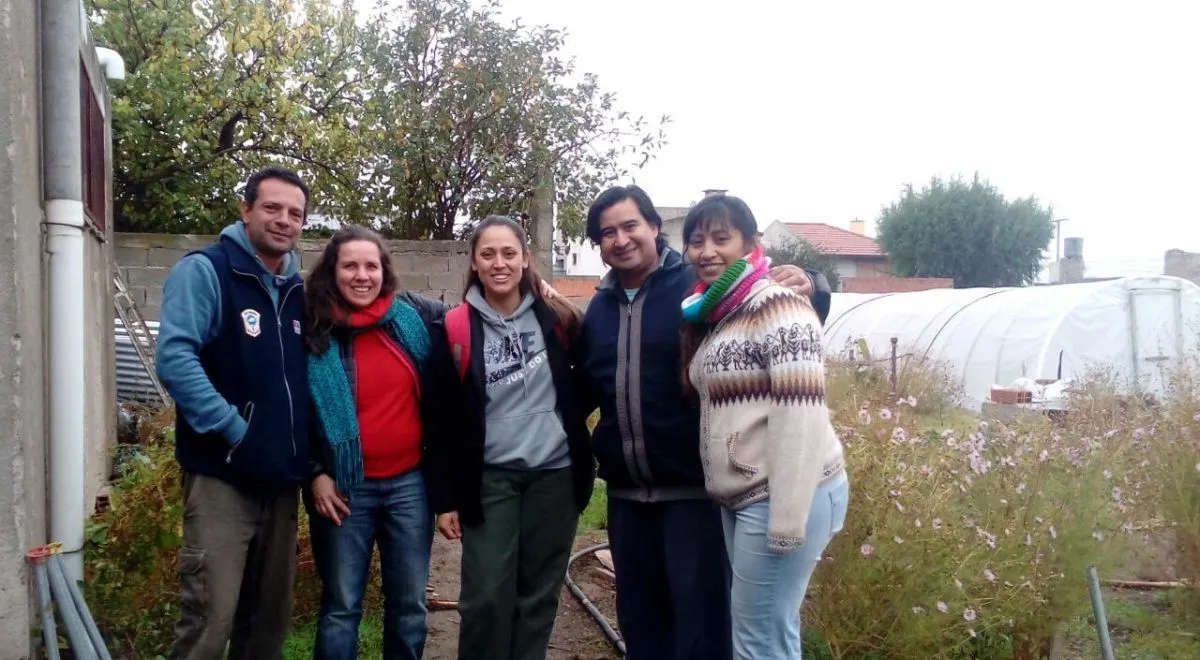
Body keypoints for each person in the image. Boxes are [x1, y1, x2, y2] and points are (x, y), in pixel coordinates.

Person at [575, 185, 831, 660]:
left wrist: (813, 281)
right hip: (627, 498)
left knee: (702, 629)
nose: (621, 239)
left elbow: (767, 292)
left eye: (630, 226)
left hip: (694, 495)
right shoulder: (600, 309)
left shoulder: (699, 289)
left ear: (654, 227)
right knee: (640, 623)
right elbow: (585, 387)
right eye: (607, 233)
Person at [679, 193, 848, 660]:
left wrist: (787, 523)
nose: (707, 251)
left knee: (758, 639)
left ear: (751, 243)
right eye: (697, 241)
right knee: (769, 630)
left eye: (721, 238)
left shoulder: (779, 307)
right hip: (747, 492)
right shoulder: (721, 311)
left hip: (782, 494)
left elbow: (801, 414)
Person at [156, 166, 311, 660]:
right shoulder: (207, 271)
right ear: (245, 209)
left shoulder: (298, 289)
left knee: (266, 625)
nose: (284, 220)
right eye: (272, 208)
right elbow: (175, 359)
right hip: (222, 478)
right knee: (209, 619)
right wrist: (234, 429)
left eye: (295, 213)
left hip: (281, 484)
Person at [425, 216, 595, 660]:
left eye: (508, 253)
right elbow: (438, 420)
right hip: (490, 481)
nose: (498, 263)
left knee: (538, 596)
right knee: (485, 597)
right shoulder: (455, 329)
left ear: (525, 259)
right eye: (488, 254)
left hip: (555, 479)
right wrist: (444, 499)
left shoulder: (557, 320)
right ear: (474, 262)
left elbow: (591, 379)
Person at [303, 224, 451, 660]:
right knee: (341, 607)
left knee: (409, 605)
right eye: (350, 266)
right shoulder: (311, 329)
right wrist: (315, 473)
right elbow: (294, 414)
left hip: (410, 485)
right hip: (344, 489)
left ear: (384, 271)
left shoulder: (413, 316)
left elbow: (473, 316)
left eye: (371, 265)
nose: (362, 275)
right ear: (332, 272)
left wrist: (538, 291)